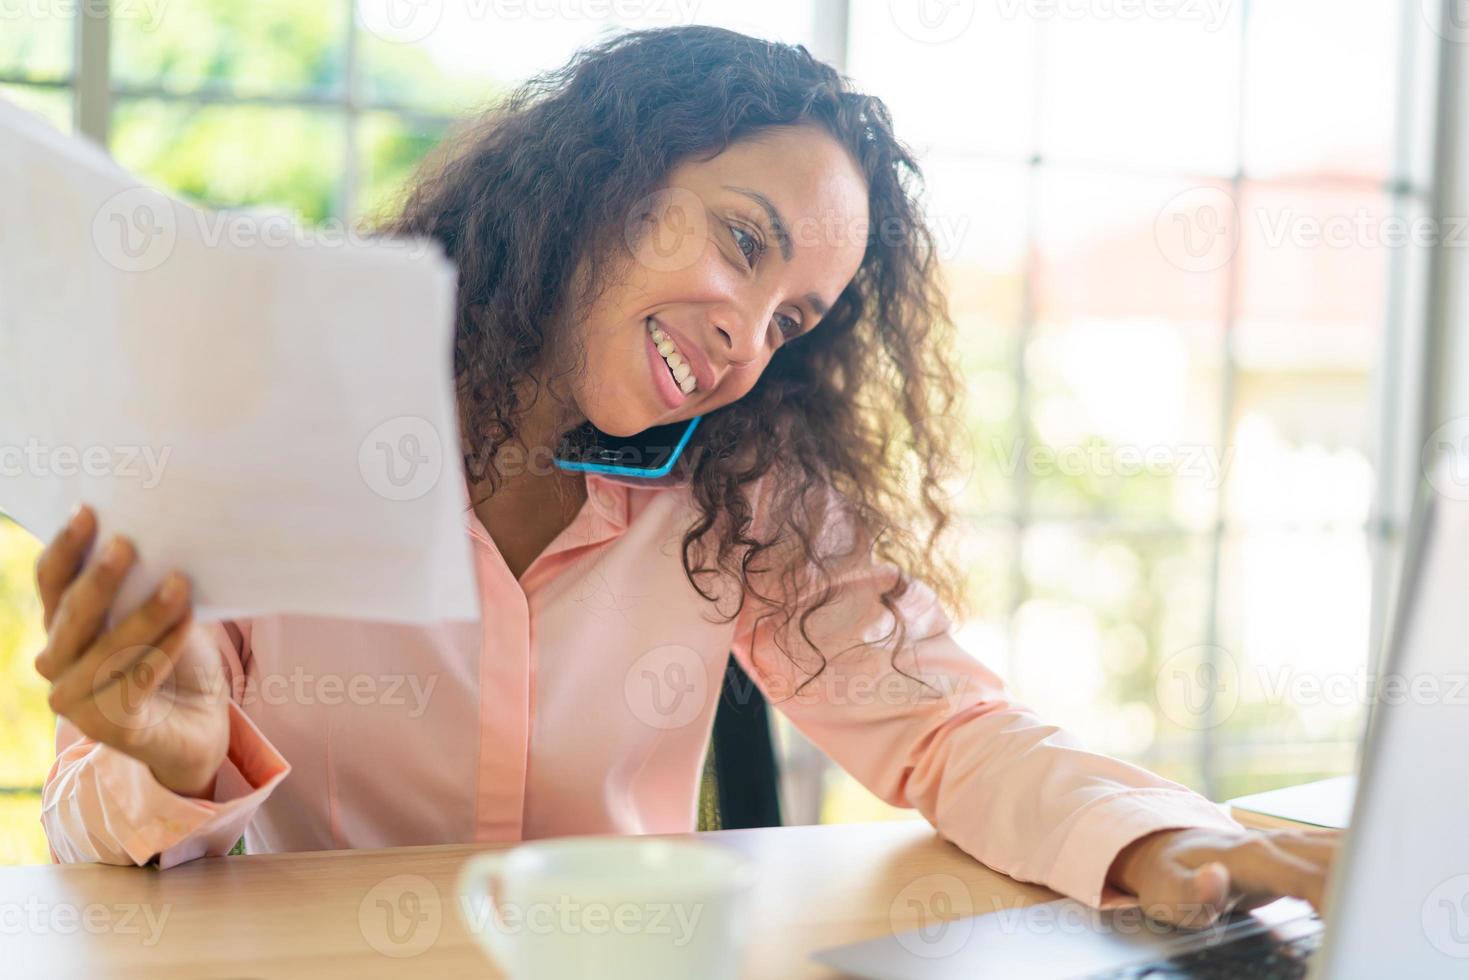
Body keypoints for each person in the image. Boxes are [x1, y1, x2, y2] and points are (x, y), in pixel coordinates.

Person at [31, 25, 1337, 929]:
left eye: (793, 321)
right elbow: (87, 829)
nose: (747, 335)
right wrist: (174, 759)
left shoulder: (745, 483)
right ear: (601, 180)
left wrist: (1171, 838)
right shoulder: (282, 419)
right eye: (739, 241)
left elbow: (947, 730)